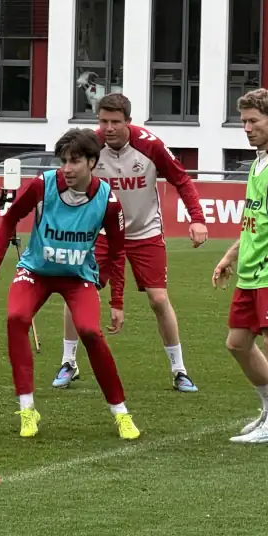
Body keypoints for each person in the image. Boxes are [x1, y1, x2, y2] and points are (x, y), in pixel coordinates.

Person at [0, 127, 139, 440]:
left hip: (77, 277)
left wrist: (116, 300)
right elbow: (9, 219)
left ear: (92, 162)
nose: (67, 168)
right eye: (64, 160)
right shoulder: (43, 185)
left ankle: (121, 413)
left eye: (75, 161)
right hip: (35, 272)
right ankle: (27, 409)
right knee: (16, 318)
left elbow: (119, 251)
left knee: (91, 332)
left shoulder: (108, 201)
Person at [53, 93, 207, 393]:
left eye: (115, 122)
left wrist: (197, 218)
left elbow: (182, 179)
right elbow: (64, 179)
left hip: (145, 232)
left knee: (159, 300)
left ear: (128, 122)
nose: (108, 128)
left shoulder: (150, 145)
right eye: (103, 121)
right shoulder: (89, 146)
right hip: (98, 234)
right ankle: (68, 362)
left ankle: (179, 370)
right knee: (76, 291)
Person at [212, 88, 268, 444]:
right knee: (237, 343)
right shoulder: (260, 161)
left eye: (253, 121)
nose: (246, 128)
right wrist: (231, 255)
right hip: (252, 272)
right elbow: (255, 219)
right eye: (243, 121)